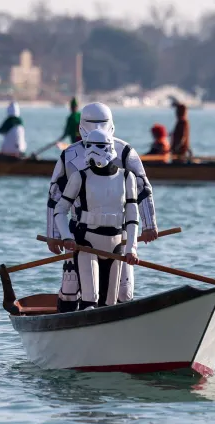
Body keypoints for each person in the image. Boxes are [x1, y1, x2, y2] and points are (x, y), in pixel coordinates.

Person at [46, 102, 159, 305]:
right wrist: (55, 234)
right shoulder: (69, 155)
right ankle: (68, 323)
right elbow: (56, 196)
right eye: (92, 123)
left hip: (118, 234)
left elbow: (142, 189)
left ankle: (117, 324)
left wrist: (149, 225)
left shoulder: (124, 152)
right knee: (71, 286)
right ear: (82, 127)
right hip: (79, 233)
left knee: (123, 291)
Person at [53, 129, 140, 311]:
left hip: (116, 244)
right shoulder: (80, 176)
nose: (93, 151)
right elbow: (60, 210)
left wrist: (131, 248)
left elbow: (132, 218)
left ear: (109, 148)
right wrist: (67, 237)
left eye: (99, 146)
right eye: (88, 146)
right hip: (87, 243)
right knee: (90, 301)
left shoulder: (127, 177)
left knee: (109, 305)